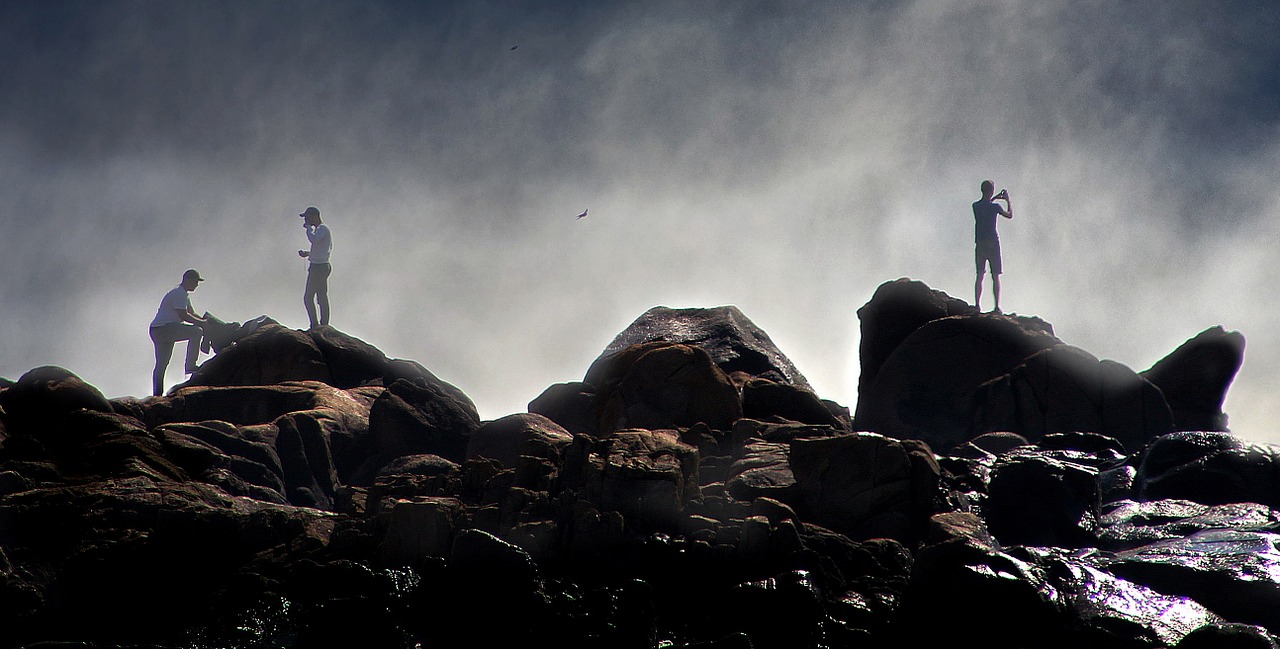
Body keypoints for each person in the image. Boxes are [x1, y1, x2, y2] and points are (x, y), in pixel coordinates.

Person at [149, 269, 208, 396]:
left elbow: (191, 313)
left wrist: (205, 321)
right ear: (187, 280)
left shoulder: (183, 294)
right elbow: (184, 315)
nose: (197, 285)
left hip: (158, 329)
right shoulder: (179, 293)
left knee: (162, 364)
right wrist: (201, 324)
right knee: (196, 332)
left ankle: (157, 394)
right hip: (164, 329)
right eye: (195, 281)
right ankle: (190, 365)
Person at [973, 179, 1014, 313]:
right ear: (991, 191)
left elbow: (985, 204)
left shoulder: (975, 206)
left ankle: (977, 305)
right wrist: (1007, 201)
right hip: (993, 243)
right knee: (995, 275)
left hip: (980, 243)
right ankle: (996, 307)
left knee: (980, 274)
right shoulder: (995, 207)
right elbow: (1009, 215)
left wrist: (995, 197)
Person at [297, 206, 333, 328]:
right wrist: (308, 253)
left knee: (309, 297)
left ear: (314, 216)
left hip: (318, 267)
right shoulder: (322, 229)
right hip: (321, 266)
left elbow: (314, 240)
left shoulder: (322, 229)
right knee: (321, 296)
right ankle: (323, 324)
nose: (306, 220)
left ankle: (316, 325)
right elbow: (321, 249)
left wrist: (308, 228)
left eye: (307, 217)